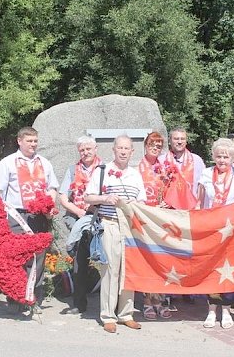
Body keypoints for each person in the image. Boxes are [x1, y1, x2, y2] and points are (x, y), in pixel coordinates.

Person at [85, 135, 147, 333]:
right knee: (110, 271)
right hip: (109, 224)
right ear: (113, 150)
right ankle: (108, 316)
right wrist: (105, 197)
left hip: (129, 228)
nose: (122, 151)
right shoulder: (102, 171)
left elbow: (143, 201)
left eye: (126, 148)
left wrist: (136, 205)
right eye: (119, 148)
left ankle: (126, 314)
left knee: (128, 270)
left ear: (132, 152)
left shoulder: (136, 175)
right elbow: (88, 197)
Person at [0, 126, 59, 314]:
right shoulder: (8, 163)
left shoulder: (45, 163)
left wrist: (50, 205)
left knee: (38, 258)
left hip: (38, 216)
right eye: (29, 141)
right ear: (19, 141)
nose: (33, 144)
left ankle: (33, 298)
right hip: (16, 215)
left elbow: (52, 187)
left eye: (35, 141)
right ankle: (15, 298)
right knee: (15, 259)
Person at [197, 138, 234, 329]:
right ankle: (211, 309)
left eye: (226, 156)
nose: (222, 160)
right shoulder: (205, 174)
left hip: (231, 230)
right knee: (211, 269)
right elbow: (199, 201)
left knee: (227, 269)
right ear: (213, 156)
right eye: (219, 156)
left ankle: (226, 309)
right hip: (210, 229)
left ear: (232, 158)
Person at [59, 135, 102, 314]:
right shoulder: (72, 170)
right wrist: (79, 212)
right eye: (82, 150)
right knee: (79, 262)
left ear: (95, 149)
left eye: (88, 149)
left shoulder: (105, 169)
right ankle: (79, 304)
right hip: (78, 218)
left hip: (100, 218)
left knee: (106, 260)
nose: (85, 152)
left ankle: (108, 305)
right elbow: (62, 198)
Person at [137, 131, 172, 320]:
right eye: (152, 144)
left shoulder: (165, 167)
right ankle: (147, 301)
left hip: (162, 219)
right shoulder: (138, 168)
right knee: (148, 260)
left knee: (161, 260)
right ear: (145, 145)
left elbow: (173, 190)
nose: (155, 148)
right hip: (145, 219)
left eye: (159, 145)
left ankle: (160, 299)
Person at [162, 127, 205, 199]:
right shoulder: (161, 160)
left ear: (186, 141)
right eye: (176, 139)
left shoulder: (197, 160)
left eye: (182, 139)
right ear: (170, 141)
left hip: (190, 206)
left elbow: (203, 185)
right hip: (168, 207)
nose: (179, 142)